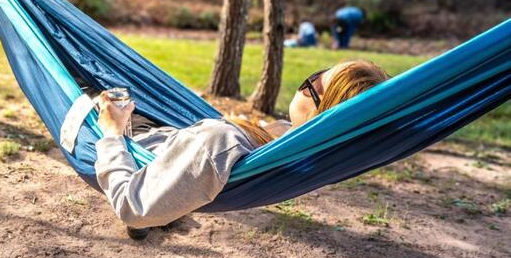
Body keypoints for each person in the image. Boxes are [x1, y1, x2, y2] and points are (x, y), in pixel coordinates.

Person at [94, 60, 389, 237]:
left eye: (314, 81)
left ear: (319, 109)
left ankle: (169, 205)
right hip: (169, 144)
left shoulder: (218, 145)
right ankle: (173, 204)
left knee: (83, 78)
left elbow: (133, 207)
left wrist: (111, 131)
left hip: (136, 145)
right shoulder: (289, 143)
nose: (306, 82)